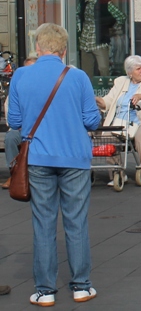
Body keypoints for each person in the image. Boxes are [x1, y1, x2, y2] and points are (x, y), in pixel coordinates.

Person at [7, 23, 102, 305]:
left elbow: (14, 121)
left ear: (38, 47)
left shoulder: (22, 76)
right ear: (63, 50)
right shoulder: (78, 77)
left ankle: (45, 291)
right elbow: (92, 120)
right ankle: (82, 286)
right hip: (75, 157)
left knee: (44, 223)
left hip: (37, 158)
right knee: (76, 222)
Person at [94, 55, 141, 188]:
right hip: (121, 121)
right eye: (138, 69)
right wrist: (96, 99)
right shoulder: (121, 81)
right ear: (129, 73)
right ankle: (118, 174)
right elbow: (107, 102)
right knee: (108, 137)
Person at [75, 0, 126, 79]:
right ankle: (88, 91)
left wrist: (112, 28)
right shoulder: (83, 3)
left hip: (99, 40)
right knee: (86, 70)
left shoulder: (104, 2)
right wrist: (79, 28)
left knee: (104, 68)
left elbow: (121, 16)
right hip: (85, 40)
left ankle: (106, 88)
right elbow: (77, 16)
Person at [3, 54, 37, 190]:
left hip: (42, 130)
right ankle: (15, 174)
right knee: (11, 137)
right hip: (22, 130)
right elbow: (11, 119)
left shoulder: (45, 89)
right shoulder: (16, 90)